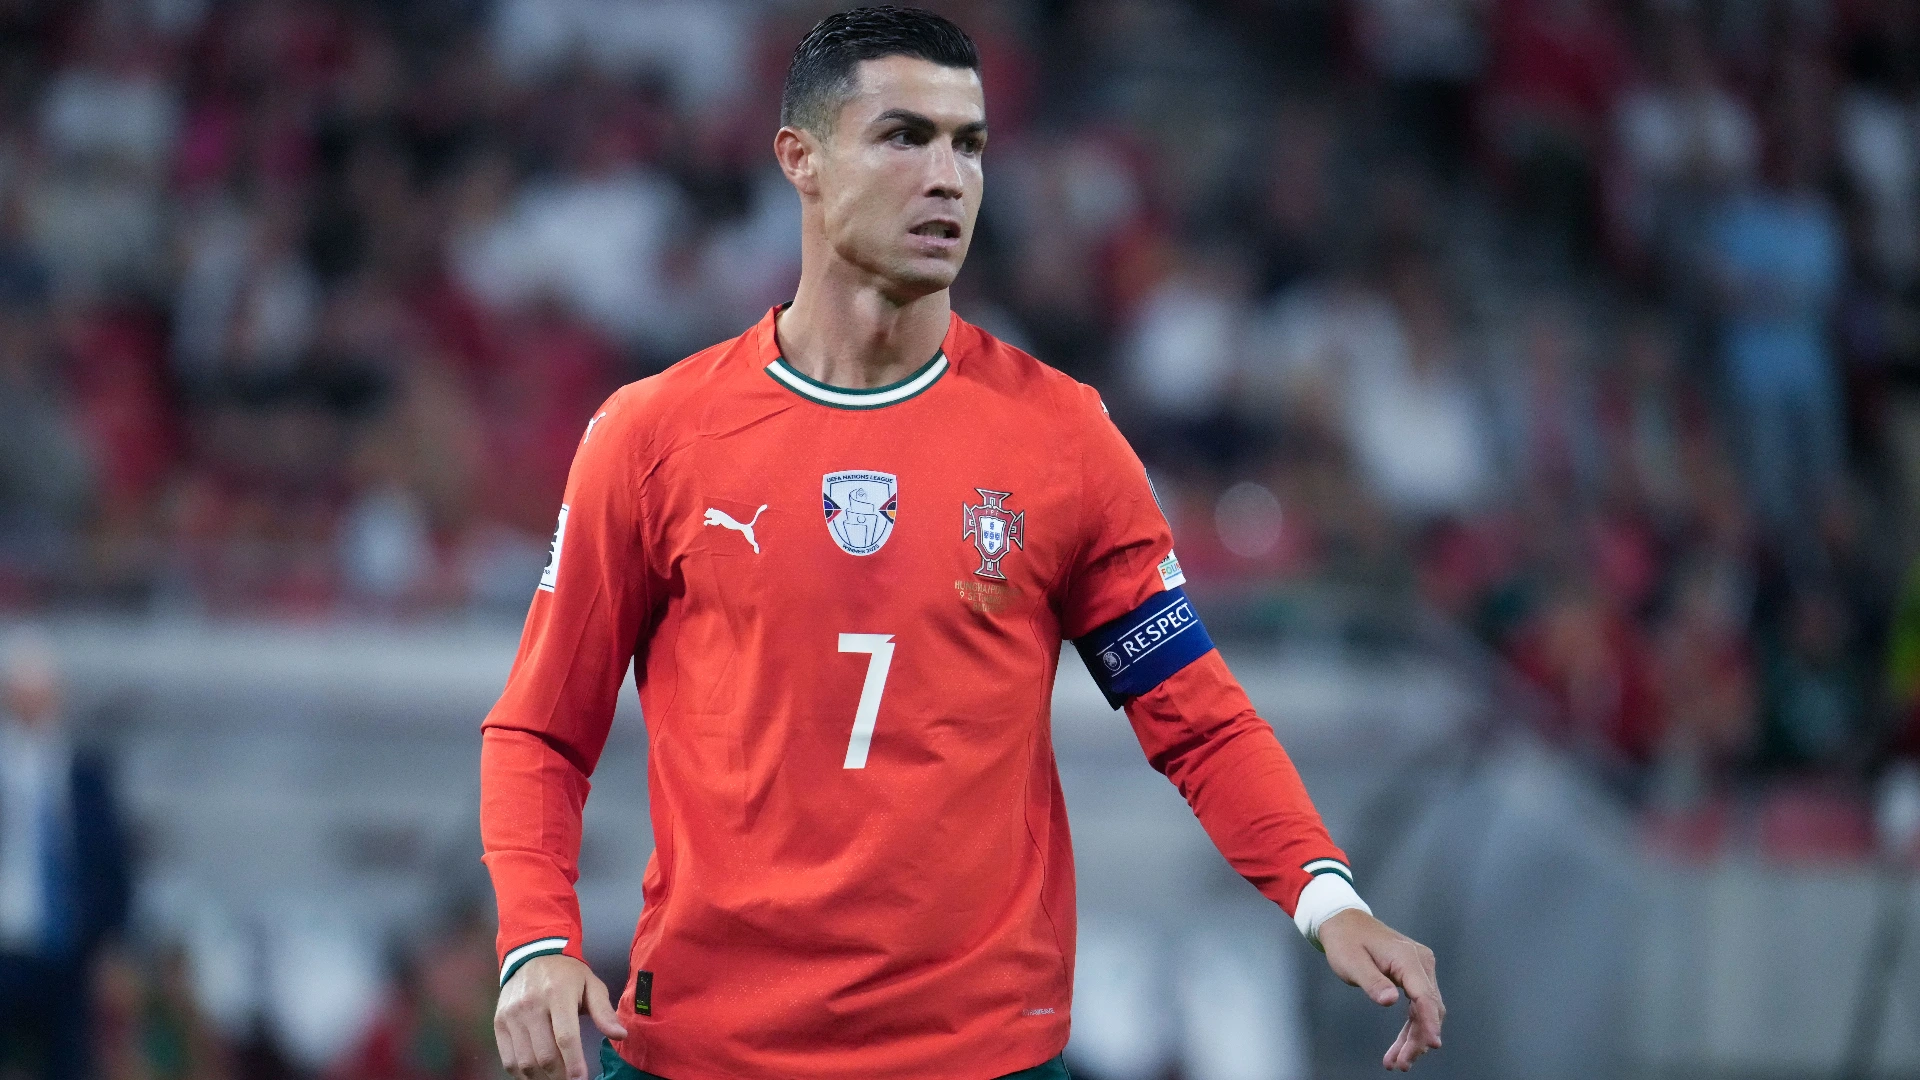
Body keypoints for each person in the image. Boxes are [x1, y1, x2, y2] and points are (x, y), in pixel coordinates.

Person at [480, 9, 1444, 1080]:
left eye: (970, 144)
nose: (948, 178)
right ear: (800, 159)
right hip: (708, 1051)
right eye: (905, 136)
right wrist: (535, 943)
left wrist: (1325, 895)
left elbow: (1195, 715)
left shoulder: (1062, 438)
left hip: (982, 1057)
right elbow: (540, 731)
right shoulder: (654, 437)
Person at [0, 629, 132, 1080]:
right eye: (23, 693)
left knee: (69, 1062)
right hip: (6, 940)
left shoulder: (85, 771)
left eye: (40, 693)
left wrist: (111, 939)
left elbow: (110, 862)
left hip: (65, 946)